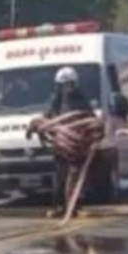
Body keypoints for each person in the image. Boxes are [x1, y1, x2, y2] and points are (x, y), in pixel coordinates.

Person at [39, 66, 95, 216]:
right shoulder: (55, 101)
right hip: (61, 145)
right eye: (63, 85)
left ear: (74, 84)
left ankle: (77, 206)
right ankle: (59, 206)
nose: (66, 88)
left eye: (69, 85)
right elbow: (47, 118)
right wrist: (47, 126)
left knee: (76, 175)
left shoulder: (81, 100)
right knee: (60, 176)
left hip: (78, 145)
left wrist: (90, 133)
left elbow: (90, 118)